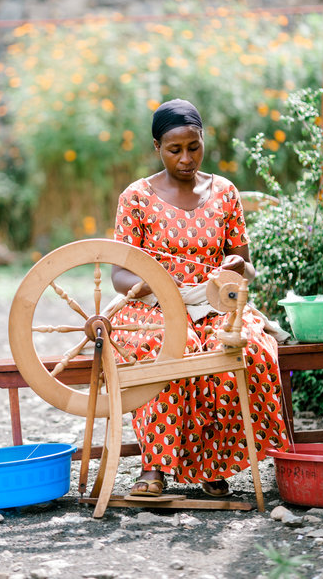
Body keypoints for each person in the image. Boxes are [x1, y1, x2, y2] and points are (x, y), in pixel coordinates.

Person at [110, 98, 289, 497]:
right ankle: (153, 468)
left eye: (194, 147)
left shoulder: (224, 192)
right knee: (176, 349)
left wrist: (232, 266)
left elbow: (242, 260)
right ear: (157, 147)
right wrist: (159, 290)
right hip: (154, 308)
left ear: (203, 140)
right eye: (175, 150)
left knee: (247, 350)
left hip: (214, 304)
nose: (186, 158)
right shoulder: (136, 197)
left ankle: (213, 466)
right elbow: (119, 274)